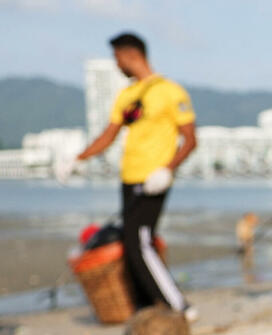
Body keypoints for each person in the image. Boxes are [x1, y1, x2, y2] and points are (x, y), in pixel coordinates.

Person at [60, 32, 198, 318]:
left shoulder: (170, 91)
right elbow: (108, 135)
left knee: (140, 244)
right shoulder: (126, 95)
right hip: (128, 179)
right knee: (132, 243)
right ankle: (146, 307)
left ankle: (179, 306)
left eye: (117, 58)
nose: (116, 65)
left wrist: (167, 170)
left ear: (130, 55)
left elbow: (190, 140)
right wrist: (76, 159)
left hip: (154, 180)